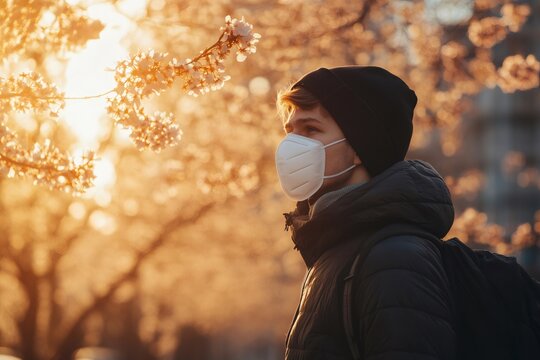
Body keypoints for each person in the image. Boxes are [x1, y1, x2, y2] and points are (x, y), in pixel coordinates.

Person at [274, 66, 457, 360]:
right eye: (290, 131)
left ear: (361, 146)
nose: (291, 146)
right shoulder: (336, 246)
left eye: (311, 130)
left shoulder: (395, 258)